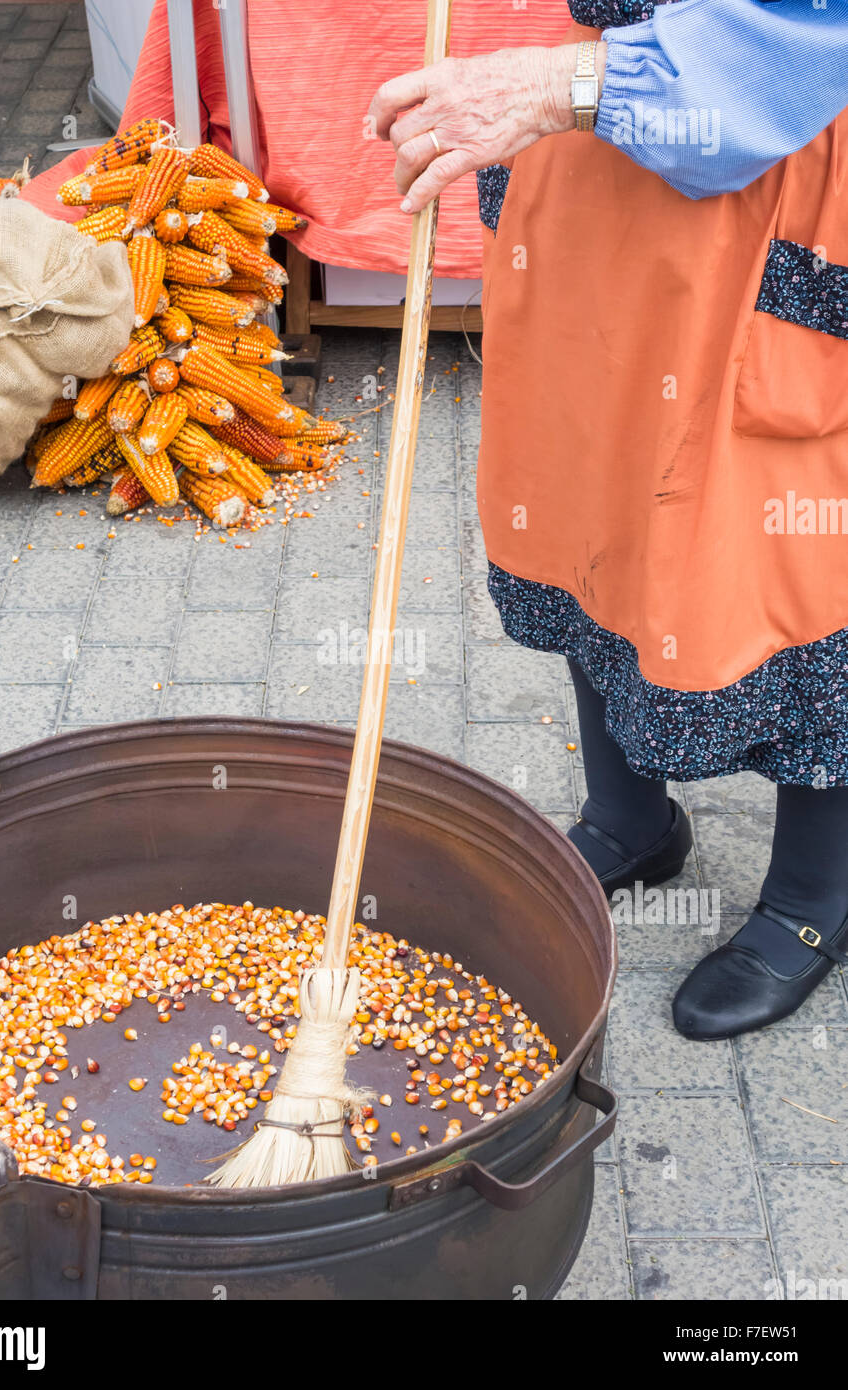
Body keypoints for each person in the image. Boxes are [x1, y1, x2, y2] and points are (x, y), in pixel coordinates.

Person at [369, 0, 848, 1041]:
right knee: (590, 494)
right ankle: (632, 822)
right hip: (592, 159)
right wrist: (570, 90)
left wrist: (556, 88)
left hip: (771, 150)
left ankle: (815, 897)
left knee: (795, 551)